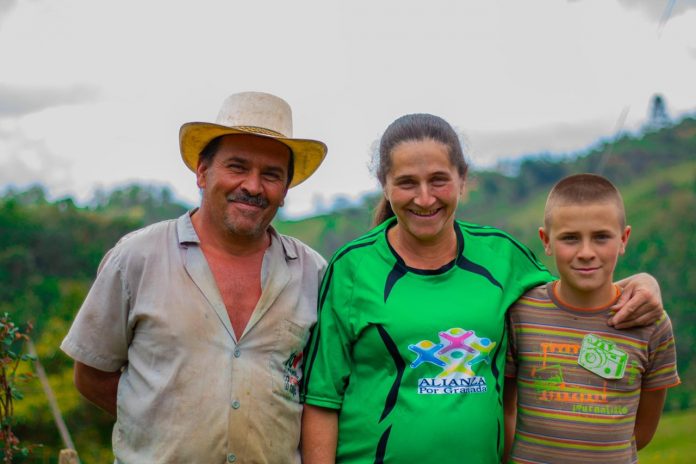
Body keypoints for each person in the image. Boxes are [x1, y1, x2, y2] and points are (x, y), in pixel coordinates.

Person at [300, 113, 664, 463]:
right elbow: (322, 399)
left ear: (463, 179)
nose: (424, 198)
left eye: (439, 180)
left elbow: (574, 295)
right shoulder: (352, 268)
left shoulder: (503, 258)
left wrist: (642, 284)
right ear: (384, 184)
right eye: (407, 182)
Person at [60, 91, 328, 463]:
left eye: (271, 175)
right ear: (202, 172)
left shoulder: (313, 274)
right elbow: (92, 374)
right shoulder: (137, 258)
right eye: (237, 167)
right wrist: (156, 427)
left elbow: (322, 395)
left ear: (285, 190)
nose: (253, 186)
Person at [503, 173, 680, 463]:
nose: (586, 253)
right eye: (570, 238)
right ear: (546, 241)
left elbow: (642, 431)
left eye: (601, 237)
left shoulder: (651, 323)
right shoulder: (521, 313)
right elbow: (506, 410)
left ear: (623, 239)